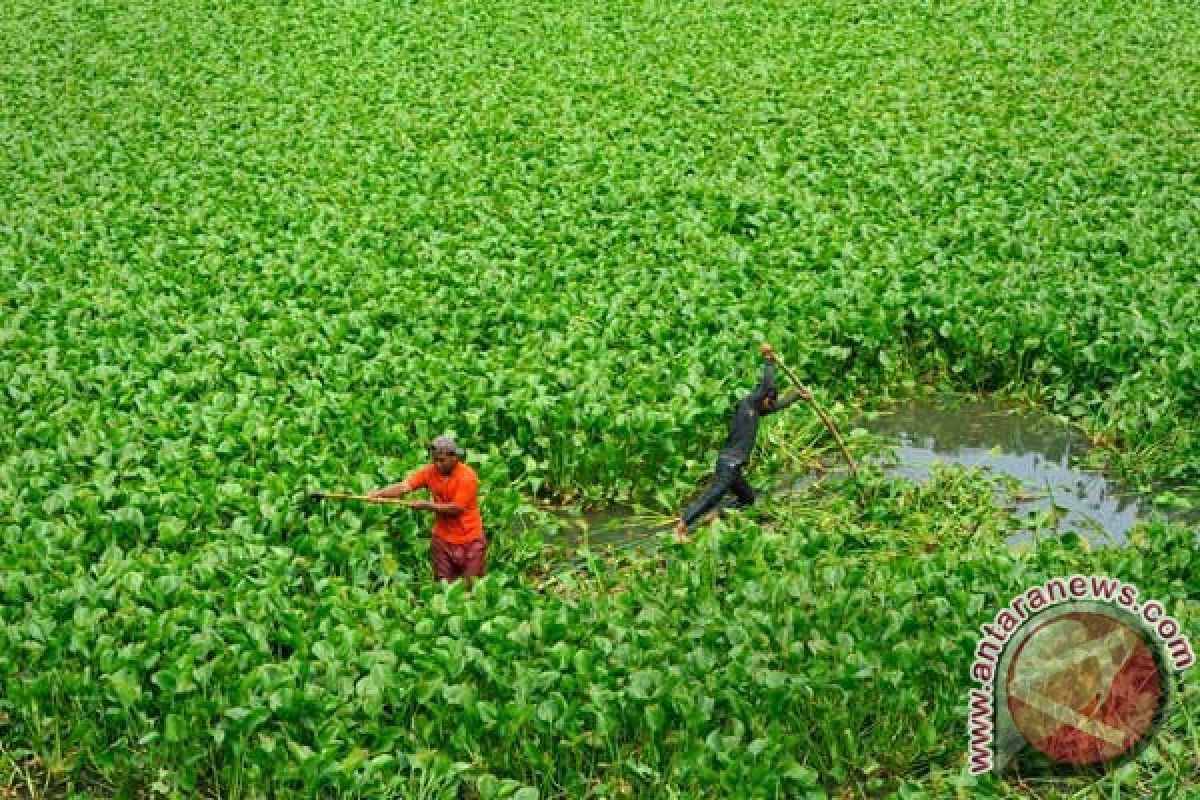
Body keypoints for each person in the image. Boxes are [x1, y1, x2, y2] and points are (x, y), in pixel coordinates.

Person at [674, 344, 810, 542]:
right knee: (713, 495)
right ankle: (682, 526)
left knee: (747, 499)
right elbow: (767, 386)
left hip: (735, 466)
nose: (770, 405)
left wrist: (798, 396)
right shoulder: (748, 403)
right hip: (728, 463)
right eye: (768, 400)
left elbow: (777, 406)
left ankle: (716, 516)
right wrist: (768, 362)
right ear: (762, 397)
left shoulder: (756, 411)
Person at [369, 434, 487, 582]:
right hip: (443, 539)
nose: (437, 464)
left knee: (472, 587)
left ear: (454, 458)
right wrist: (380, 494)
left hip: (470, 539)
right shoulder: (430, 472)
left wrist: (426, 505)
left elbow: (456, 509)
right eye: (435, 460)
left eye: (441, 460)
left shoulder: (467, 477)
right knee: (443, 586)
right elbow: (404, 486)